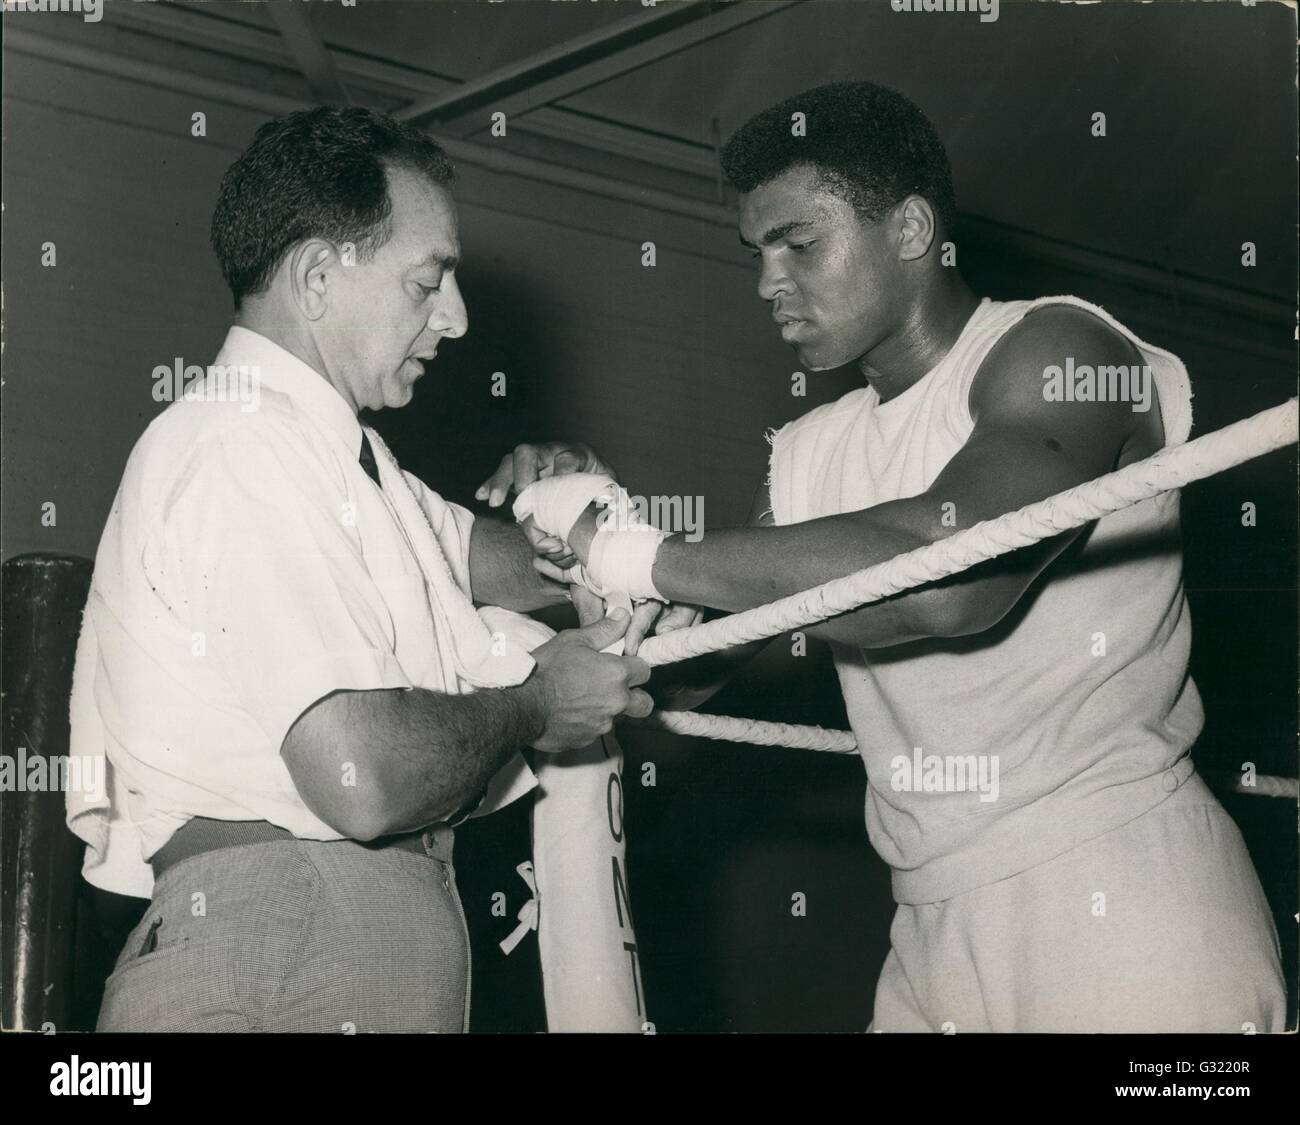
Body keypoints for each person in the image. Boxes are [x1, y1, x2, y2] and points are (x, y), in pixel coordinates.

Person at [483, 82, 1287, 1033]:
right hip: (928, 922)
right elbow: (684, 678)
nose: (767, 281)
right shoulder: (809, 453)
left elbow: (953, 573)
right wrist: (589, 531)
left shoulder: (1062, 350)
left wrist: (630, 550)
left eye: (800, 242)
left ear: (910, 227)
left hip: (1119, 884)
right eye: (757, 252)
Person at [67, 106, 654, 1033]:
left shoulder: (347, 462)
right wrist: (540, 702)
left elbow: (522, 563)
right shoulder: (242, 445)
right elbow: (360, 774)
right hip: (284, 925)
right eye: (428, 283)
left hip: (326, 926)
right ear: (314, 278)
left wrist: (578, 498)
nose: (455, 320)